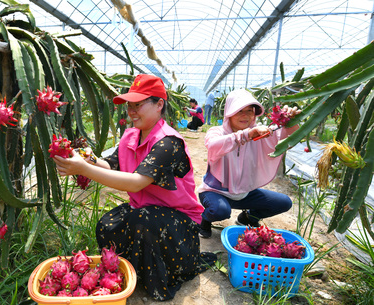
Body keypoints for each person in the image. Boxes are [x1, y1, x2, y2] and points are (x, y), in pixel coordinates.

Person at [53, 74, 216, 301]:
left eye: (138, 105)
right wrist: (86, 158)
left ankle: (162, 278)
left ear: (159, 104)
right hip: (146, 211)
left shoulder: (169, 142)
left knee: (143, 221)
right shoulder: (131, 135)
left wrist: (83, 169)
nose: (131, 111)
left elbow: (138, 182)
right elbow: (110, 164)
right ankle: (135, 270)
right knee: (106, 226)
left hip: (179, 223)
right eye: (129, 105)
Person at [197, 89, 301, 238]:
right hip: (215, 192)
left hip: (244, 193)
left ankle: (247, 218)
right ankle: (206, 219)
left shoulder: (259, 133)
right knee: (220, 211)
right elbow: (213, 145)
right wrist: (246, 135)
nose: (245, 115)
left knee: (284, 202)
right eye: (239, 111)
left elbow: (285, 137)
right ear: (229, 112)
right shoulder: (217, 132)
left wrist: (290, 122)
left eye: (250, 111)